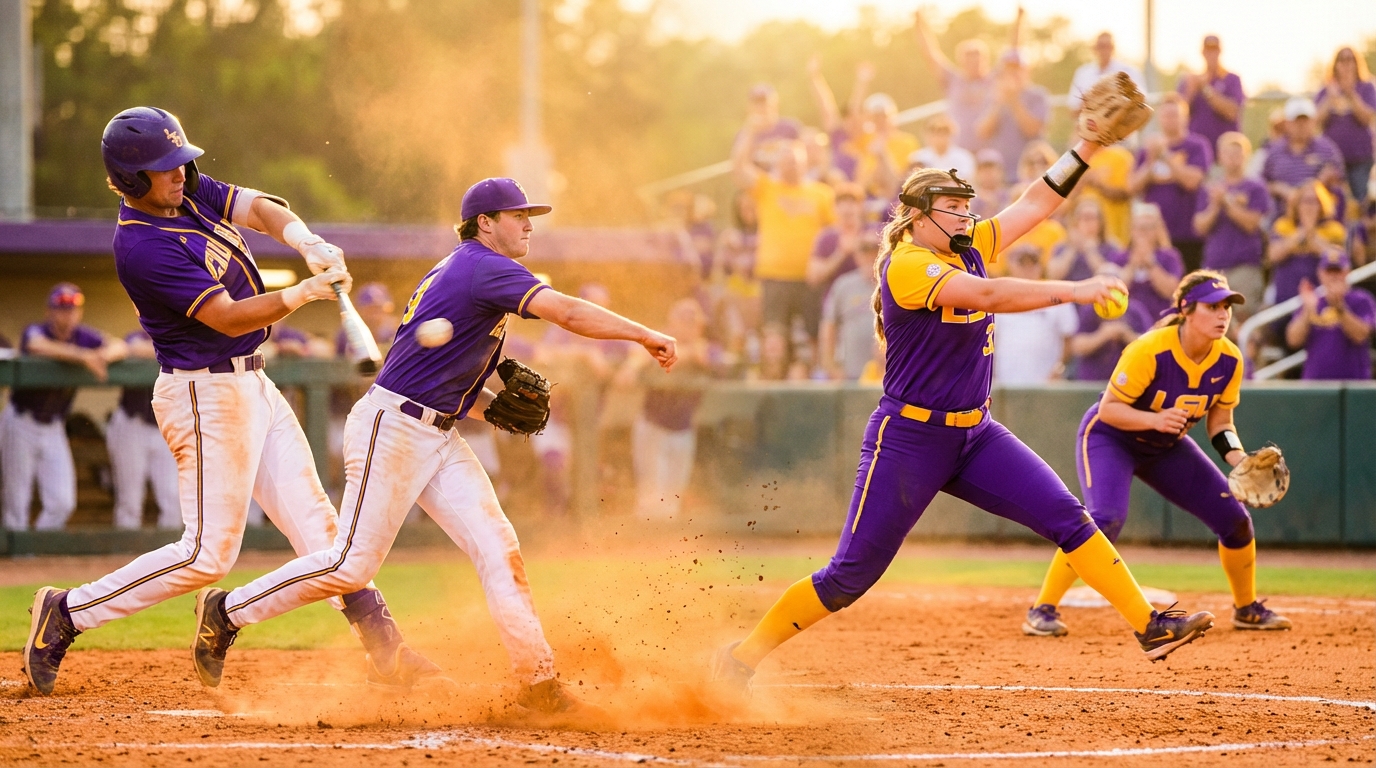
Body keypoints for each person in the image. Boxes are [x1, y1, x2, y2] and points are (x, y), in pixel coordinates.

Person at [711, 122, 1216, 693]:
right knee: (849, 577)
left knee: (1070, 518)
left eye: (966, 207)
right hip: (908, 439)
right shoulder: (906, 264)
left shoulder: (965, 246)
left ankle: (1149, 625)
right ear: (917, 217)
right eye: (951, 207)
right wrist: (1074, 290)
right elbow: (988, 295)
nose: (965, 216)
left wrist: (1090, 146)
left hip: (975, 434)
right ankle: (742, 657)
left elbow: (1035, 204)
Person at [195, 178, 678, 717]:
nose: (529, 224)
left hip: (435, 431)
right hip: (394, 431)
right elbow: (566, 311)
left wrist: (488, 405)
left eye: (529, 214)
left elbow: (435, 377)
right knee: (350, 566)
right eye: (517, 214)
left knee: (499, 548)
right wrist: (643, 335)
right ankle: (227, 610)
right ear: (485, 223)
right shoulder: (482, 266)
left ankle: (538, 682)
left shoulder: (466, 271)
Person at [22, 107, 438, 697]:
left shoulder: (185, 192)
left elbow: (260, 207)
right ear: (132, 179)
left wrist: (305, 240)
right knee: (205, 555)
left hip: (253, 383)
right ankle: (67, 612)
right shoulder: (141, 246)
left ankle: (386, 649)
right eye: (165, 169)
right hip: (204, 393)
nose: (180, 174)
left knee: (324, 534)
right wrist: (302, 293)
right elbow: (225, 317)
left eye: (180, 163)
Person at [1024, 271, 1291, 638]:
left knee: (1235, 519)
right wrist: (1156, 418)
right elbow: (1109, 410)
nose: (1222, 314)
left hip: (1164, 446)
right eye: (1212, 306)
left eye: (1227, 306)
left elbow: (1221, 423)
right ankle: (1042, 609)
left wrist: (1238, 459)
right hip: (1110, 437)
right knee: (1103, 519)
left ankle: (1246, 609)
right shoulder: (1151, 349)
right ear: (1186, 309)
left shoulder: (1229, 358)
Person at [2, 284, 128, 531]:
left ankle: (39, 548)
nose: (67, 315)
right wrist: (84, 357)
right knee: (16, 500)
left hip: (54, 426)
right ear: (50, 311)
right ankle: (17, 561)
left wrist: (101, 357)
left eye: (72, 310)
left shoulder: (83, 335)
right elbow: (37, 346)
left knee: (62, 501)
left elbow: (120, 346)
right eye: (62, 309)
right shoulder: (36, 330)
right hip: (21, 421)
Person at [732, 120, 836, 367]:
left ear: (805, 162)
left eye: (796, 160)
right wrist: (750, 129)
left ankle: (813, 381)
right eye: (786, 160)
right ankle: (773, 382)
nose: (791, 164)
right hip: (774, 278)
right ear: (778, 164)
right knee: (774, 337)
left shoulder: (822, 193)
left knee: (812, 337)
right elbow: (738, 168)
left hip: (809, 279)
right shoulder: (767, 187)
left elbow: (834, 234)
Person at [625, 298, 711, 518]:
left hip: (684, 429)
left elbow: (709, 357)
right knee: (651, 498)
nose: (692, 328)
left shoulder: (703, 347)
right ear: (673, 322)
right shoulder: (655, 343)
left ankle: (668, 550)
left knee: (673, 500)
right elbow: (629, 371)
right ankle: (644, 547)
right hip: (654, 426)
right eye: (686, 322)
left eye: (694, 323)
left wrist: (687, 353)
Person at [911, 8, 1021, 154]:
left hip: (990, 153)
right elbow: (930, 54)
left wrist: (1020, 19)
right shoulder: (952, 80)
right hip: (958, 152)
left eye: (977, 60)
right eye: (969, 60)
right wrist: (919, 23)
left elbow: (1012, 51)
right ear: (961, 62)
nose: (974, 64)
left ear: (985, 61)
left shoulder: (995, 79)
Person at [1129, 94, 1212, 273]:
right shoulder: (1147, 151)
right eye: (1166, 115)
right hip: (1154, 236)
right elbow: (1132, 187)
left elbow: (1192, 181)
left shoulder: (1196, 146)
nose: (1170, 120)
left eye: (1175, 115)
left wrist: (1165, 155)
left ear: (1185, 118)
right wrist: (1150, 162)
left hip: (1187, 234)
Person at [107, 327, 180, 530]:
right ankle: (126, 555)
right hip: (132, 423)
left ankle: (172, 556)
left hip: (166, 428)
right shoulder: (138, 335)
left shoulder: (182, 335)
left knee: (173, 497)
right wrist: (175, 350)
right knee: (130, 499)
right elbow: (132, 347)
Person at [1193, 132, 1271, 321]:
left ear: (1246, 156)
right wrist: (1214, 205)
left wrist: (1226, 202)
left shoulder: (1255, 187)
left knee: (1244, 318)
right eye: (1228, 154)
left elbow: (1252, 224)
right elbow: (1199, 227)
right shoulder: (1210, 189)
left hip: (1245, 266)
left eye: (1238, 154)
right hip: (1214, 266)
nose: (1233, 159)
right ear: (1220, 157)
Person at [992, 245, 1078, 385]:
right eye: (1022, 264)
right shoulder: (1000, 298)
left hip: (1046, 385)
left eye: (1033, 264)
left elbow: (1069, 340)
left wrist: (1058, 369)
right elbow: (992, 341)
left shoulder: (1057, 296)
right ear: (1011, 267)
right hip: (1007, 385)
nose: (1028, 269)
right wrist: (992, 376)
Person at [1287, 250, 1374, 380]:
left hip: (1353, 386)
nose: (1333, 276)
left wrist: (1339, 307)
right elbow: (1293, 340)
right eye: (1329, 271)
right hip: (1316, 385)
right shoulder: (1313, 301)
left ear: (1346, 272)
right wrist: (1307, 311)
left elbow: (1361, 335)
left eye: (1337, 270)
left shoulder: (1361, 300)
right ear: (1320, 273)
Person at [975, 50, 1050, 183]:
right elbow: (982, 132)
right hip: (999, 176)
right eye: (1008, 69)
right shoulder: (992, 96)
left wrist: (1013, 99)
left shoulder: (1038, 95)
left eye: (1017, 69)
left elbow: (1032, 129)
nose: (1013, 73)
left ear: (1027, 71)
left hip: (1030, 173)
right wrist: (999, 102)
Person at [1269, 181, 1348, 306]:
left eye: (1315, 201)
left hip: (1322, 298)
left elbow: (1337, 259)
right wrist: (1301, 233)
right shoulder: (1283, 226)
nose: (1310, 206)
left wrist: (1312, 236)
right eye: (1305, 201)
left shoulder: (1334, 230)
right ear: (1296, 204)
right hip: (1286, 299)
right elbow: (1273, 255)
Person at [1263, 97, 1346, 210]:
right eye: (1297, 121)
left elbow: (1340, 179)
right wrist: (1279, 189)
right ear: (1287, 123)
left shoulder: (1327, 148)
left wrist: (1323, 182)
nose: (1301, 125)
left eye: (1305, 121)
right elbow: (1263, 183)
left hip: (1319, 213)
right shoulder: (1274, 151)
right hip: (1283, 215)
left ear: (1313, 122)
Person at [1317, 46, 1376, 203]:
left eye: (1350, 59)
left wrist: (1351, 93)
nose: (1346, 64)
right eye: (1342, 60)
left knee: (1360, 200)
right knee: (1334, 200)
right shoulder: (1326, 89)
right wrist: (1329, 98)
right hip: (1332, 159)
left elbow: (1366, 118)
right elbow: (1315, 120)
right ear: (1335, 64)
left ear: (1357, 63)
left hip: (1360, 157)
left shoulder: (1366, 87)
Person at [819, 232, 880, 380]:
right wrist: (831, 366)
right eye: (864, 252)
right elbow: (829, 326)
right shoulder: (844, 285)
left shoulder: (891, 283)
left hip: (886, 373)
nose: (869, 257)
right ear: (856, 256)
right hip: (851, 373)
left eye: (874, 252)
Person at [1108, 203, 1185, 321]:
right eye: (1139, 228)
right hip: (1127, 319)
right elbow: (1113, 292)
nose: (1143, 233)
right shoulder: (1120, 257)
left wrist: (1151, 264)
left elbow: (1171, 292)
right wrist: (1132, 265)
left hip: (1161, 319)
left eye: (1149, 228)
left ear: (1157, 231)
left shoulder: (1170, 257)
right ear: (1131, 231)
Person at [1000, 142, 1066, 274]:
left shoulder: (1062, 193)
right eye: (1031, 162)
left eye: (1043, 162)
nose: (1036, 167)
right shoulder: (1017, 192)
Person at [1177, 35, 1245, 150]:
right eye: (1208, 50)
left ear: (1220, 51)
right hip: (1196, 152)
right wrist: (1191, 90)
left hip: (1225, 153)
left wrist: (1206, 89)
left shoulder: (1231, 79)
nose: (1211, 54)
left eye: (1214, 50)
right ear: (1202, 52)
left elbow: (1232, 112)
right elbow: (1178, 116)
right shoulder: (1190, 80)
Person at [806, 184, 871, 298]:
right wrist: (841, 253)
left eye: (852, 203)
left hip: (867, 300)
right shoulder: (826, 237)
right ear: (834, 208)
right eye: (841, 203)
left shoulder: (873, 232)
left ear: (861, 206)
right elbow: (813, 278)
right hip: (836, 301)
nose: (847, 208)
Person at [1067, 33, 1144, 118]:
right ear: (1094, 48)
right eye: (1101, 46)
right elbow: (1073, 110)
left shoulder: (1129, 72)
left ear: (1113, 48)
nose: (1104, 50)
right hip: (1091, 127)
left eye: (1108, 46)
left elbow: (1141, 105)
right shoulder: (1083, 73)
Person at [1047, 197, 1114, 282]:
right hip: (1070, 293)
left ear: (1101, 222)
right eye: (1084, 217)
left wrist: (1090, 251)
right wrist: (1072, 249)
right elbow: (1053, 275)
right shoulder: (1062, 247)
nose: (1088, 222)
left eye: (1092, 217)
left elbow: (1111, 277)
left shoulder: (1110, 246)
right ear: (1076, 221)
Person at [908, 114, 976, 179]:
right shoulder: (918, 157)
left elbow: (965, 181)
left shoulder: (963, 157)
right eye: (935, 133)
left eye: (944, 133)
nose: (939, 137)